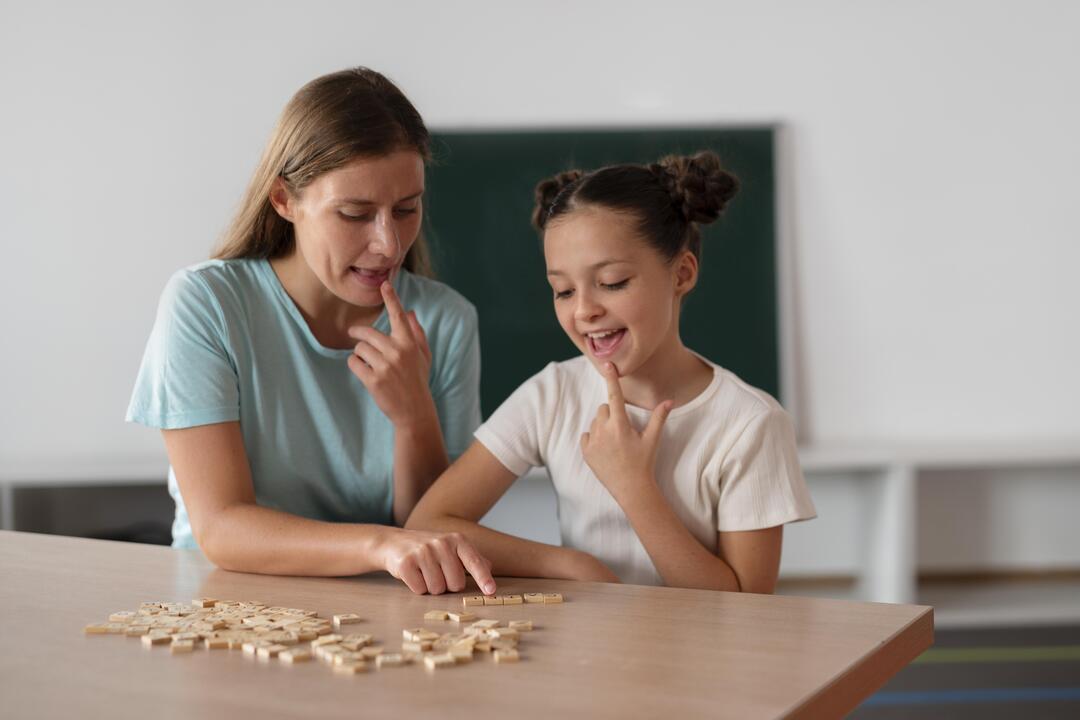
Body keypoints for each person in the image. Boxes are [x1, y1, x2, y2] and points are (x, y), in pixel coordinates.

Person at [126, 67, 495, 596]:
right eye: (355, 214)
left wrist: (415, 416)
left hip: (388, 614)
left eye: (407, 209)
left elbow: (431, 528)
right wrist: (380, 546)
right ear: (284, 200)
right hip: (229, 606)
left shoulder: (446, 320)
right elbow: (221, 527)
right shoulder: (206, 305)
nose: (389, 244)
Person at [407, 151, 816, 592]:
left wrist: (635, 489)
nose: (584, 310)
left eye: (613, 282)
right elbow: (427, 523)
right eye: (563, 290)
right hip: (592, 654)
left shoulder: (750, 424)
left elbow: (748, 608)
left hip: (703, 659)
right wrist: (569, 565)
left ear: (681, 274)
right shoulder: (553, 394)